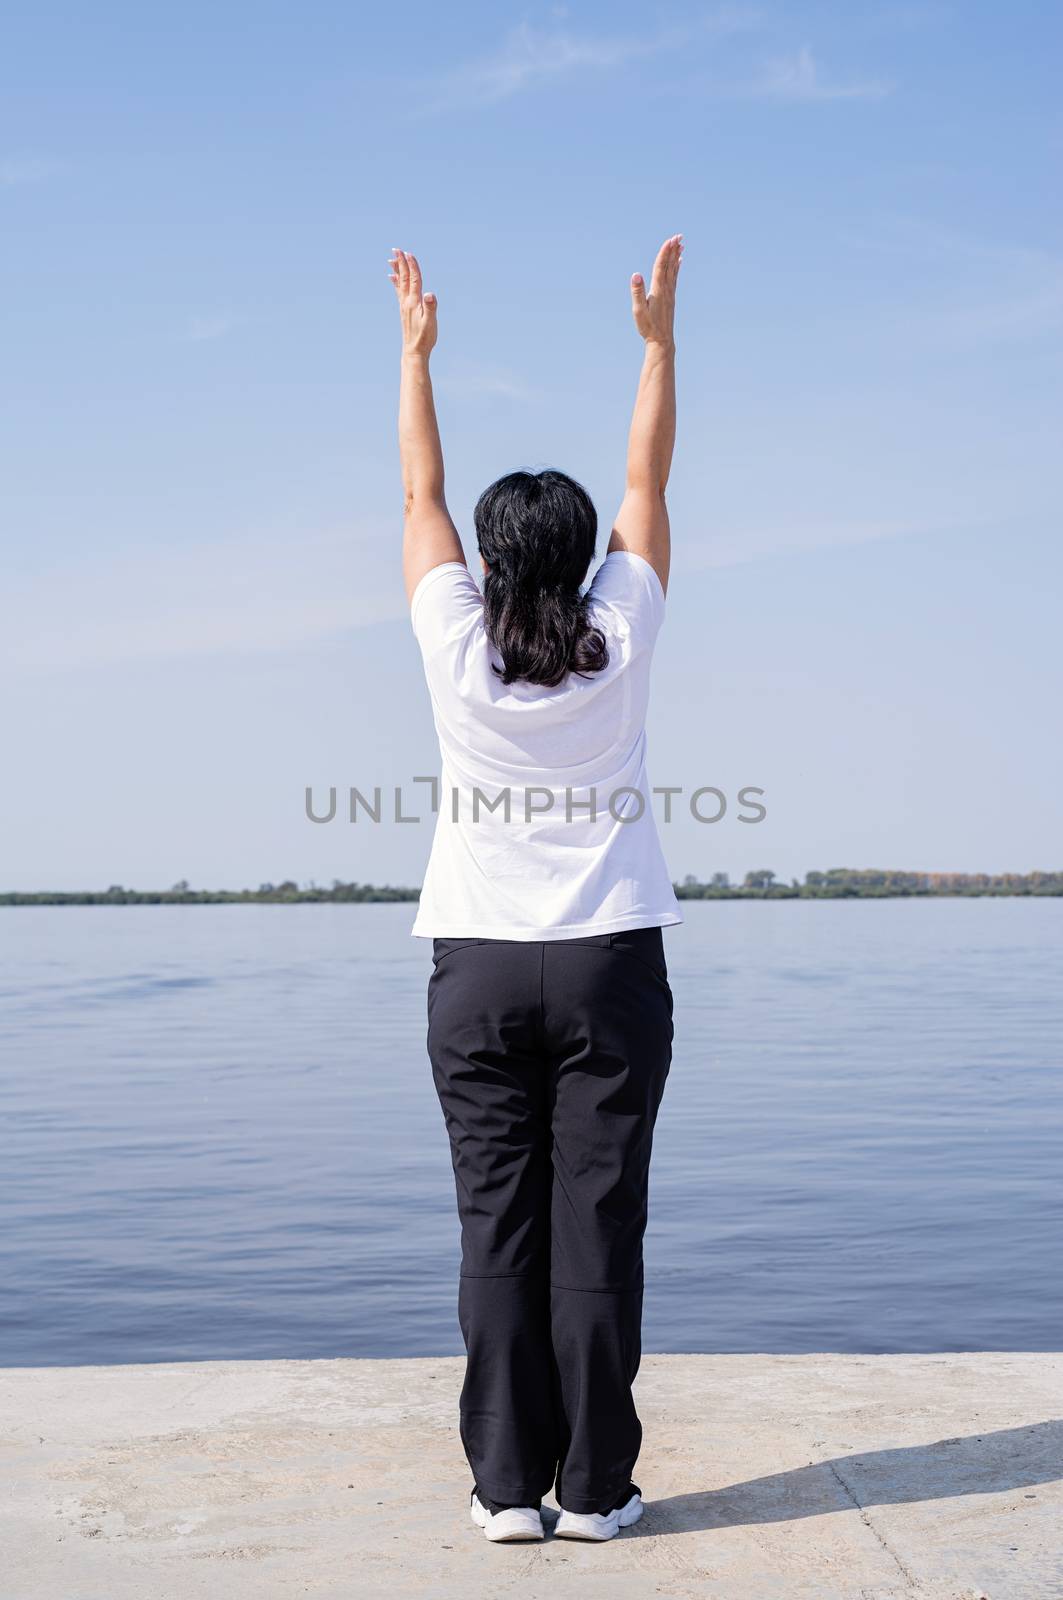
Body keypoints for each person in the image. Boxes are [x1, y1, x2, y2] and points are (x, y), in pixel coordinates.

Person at [389, 235, 683, 1544]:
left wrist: (414, 355)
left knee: (495, 1226)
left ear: (494, 567)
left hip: (479, 969)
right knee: (596, 1227)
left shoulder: (457, 647)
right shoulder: (617, 640)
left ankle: (506, 1492)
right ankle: (596, 1489)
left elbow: (417, 496)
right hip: (612, 958)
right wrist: (659, 345)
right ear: (578, 559)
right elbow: (644, 478)